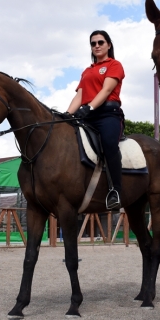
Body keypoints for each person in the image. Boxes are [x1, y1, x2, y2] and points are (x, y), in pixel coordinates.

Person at [67, 30, 125, 210]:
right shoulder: (87, 71)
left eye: (101, 42)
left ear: (108, 45)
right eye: (93, 43)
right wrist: (67, 115)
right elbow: (79, 96)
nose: (97, 46)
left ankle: (116, 190)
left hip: (108, 115)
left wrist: (89, 107)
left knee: (109, 144)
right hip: (87, 116)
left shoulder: (114, 65)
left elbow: (106, 90)